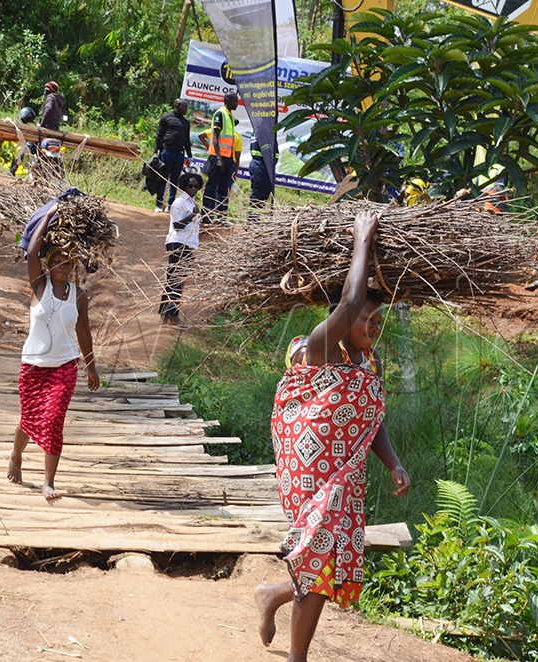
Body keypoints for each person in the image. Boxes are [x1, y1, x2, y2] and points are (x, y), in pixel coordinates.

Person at [255, 211, 410, 662]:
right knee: (319, 556)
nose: (373, 329)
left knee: (325, 562)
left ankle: (273, 594)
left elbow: (371, 419)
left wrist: (393, 462)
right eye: (367, 321)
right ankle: (296, 654)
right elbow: (348, 304)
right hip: (310, 471)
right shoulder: (318, 346)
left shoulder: (370, 363)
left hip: (346, 474)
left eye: (379, 322)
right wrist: (362, 241)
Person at [7, 203, 100, 501]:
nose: (62, 267)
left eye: (67, 263)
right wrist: (47, 216)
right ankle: (16, 455)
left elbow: (83, 334)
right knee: (30, 418)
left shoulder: (79, 296)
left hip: (64, 365)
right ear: (49, 265)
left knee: (54, 419)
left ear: (73, 267)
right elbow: (31, 253)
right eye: (57, 261)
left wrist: (91, 367)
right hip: (33, 365)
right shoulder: (39, 285)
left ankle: (49, 481)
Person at [158, 172, 203, 328]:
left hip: (186, 245)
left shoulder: (191, 203)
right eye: (190, 186)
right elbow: (177, 226)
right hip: (177, 243)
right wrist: (192, 216)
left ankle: (166, 315)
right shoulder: (179, 202)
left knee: (175, 280)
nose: (193, 189)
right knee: (175, 281)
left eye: (196, 186)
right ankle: (172, 316)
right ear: (184, 185)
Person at [202, 92, 239, 223]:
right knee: (212, 187)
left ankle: (221, 218)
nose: (237, 104)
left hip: (228, 158)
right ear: (227, 100)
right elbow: (215, 137)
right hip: (218, 158)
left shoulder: (229, 116)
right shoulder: (220, 114)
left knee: (223, 188)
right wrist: (218, 158)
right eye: (235, 101)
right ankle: (206, 216)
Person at [153, 99, 193, 213]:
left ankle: (171, 205)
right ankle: (159, 204)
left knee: (175, 181)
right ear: (177, 106)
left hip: (179, 154)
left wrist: (190, 156)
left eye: (187, 107)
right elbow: (159, 135)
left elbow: (187, 140)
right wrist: (155, 152)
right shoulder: (166, 118)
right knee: (163, 178)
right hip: (167, 152)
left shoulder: (186, 122)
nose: (186, 109)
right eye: (184, 107)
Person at [248, 137, 274, 222]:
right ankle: (253, 221)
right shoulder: (265, 130)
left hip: (262, 165)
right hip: (261, 166)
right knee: (258, 194)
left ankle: (254, 219)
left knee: (262, 192)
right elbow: (268, 150)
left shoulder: (260, 129)